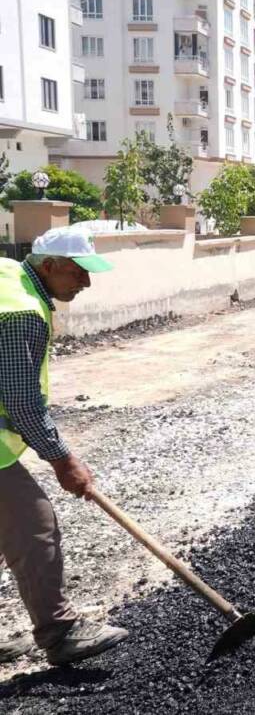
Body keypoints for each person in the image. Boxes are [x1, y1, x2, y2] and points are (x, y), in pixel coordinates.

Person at [0, 226, 129, 666]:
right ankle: (60, 633)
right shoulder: (21, 311)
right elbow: (20, 400)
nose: (86, 282)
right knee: (35, 527)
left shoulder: (6, 275)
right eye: (78, 272)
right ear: (49, 266)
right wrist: (62, 460)